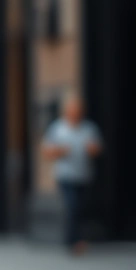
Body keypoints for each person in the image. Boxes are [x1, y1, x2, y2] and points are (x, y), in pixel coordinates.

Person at [42, 93, 103, 256]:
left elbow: (97, 149)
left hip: (83, 175)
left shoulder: (89, 128)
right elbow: (46, 151)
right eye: (73, 110)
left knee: (80, 208)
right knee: (72, 206)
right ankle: (73, 241)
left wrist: (92, 149)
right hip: (65, 176)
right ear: (67, 111)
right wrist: (60, 151)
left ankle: (75, 239)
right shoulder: (58, 127)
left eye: (78, 110)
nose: (76, 113)